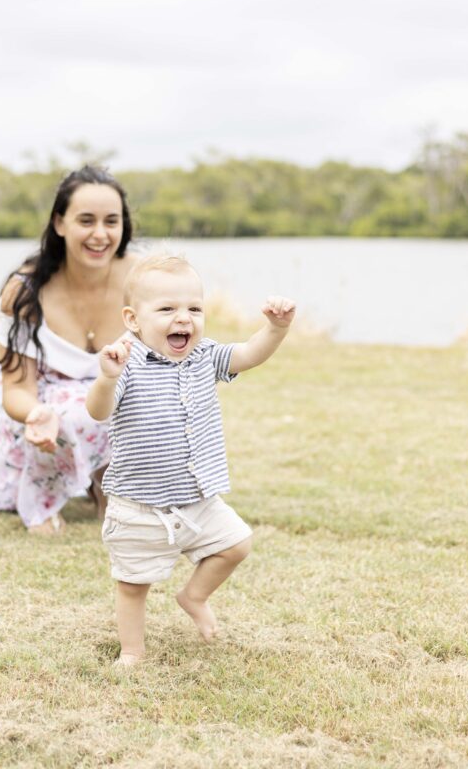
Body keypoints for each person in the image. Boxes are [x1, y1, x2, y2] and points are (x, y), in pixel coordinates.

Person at [86, 253, 296, 665]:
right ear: (133, 319)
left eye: (194, 309)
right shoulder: (127, 363)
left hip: (197, 497)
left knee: (237, 544)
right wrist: (106, 378)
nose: (184, 319)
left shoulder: (204, 356)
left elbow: (250, 354)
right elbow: (98, 411)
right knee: (133, 583)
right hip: (139, 503)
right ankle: (132, 650)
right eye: (167, 309)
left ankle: (193, 595)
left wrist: (275, 328)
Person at [0, 166, 138, 535]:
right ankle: (42, 501)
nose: (100, 234)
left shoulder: (143, 279)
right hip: (38, 395)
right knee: (68, 412)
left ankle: (108, 484)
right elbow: (16, 388)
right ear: (59, 223)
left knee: (131, 399)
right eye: (86, 220)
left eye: (112, 221)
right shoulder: (25, 291)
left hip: (110, 390)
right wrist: (36, 414)